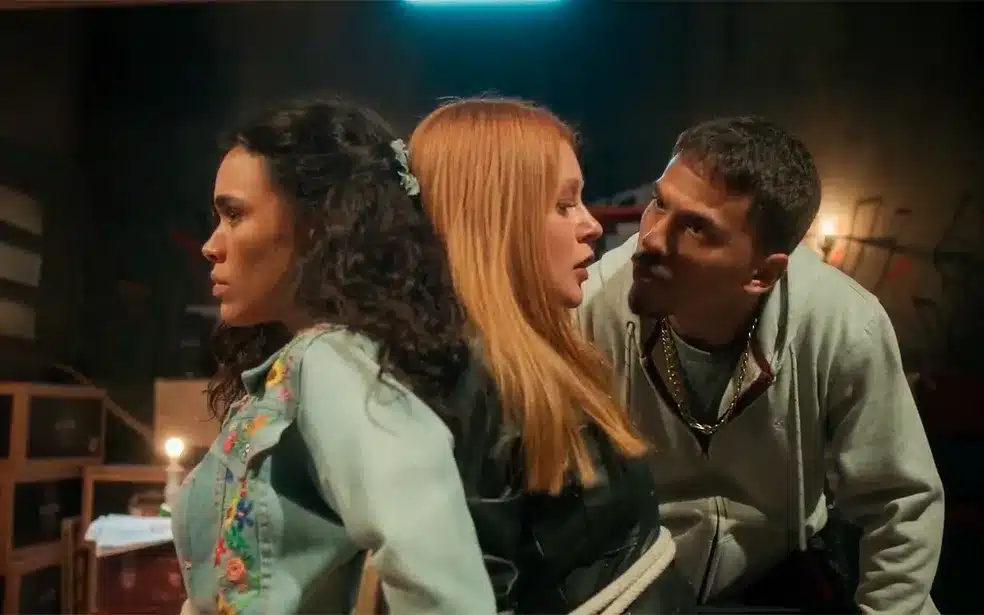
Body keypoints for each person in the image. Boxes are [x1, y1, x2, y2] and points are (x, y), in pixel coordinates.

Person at [577, 116, 944, 614]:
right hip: (637, 581)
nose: (652, 240)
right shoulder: (593, 306)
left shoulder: (839, 322)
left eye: (696, 227)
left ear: (762, 273)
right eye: (660, 203)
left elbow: (900, 503)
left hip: (783, 574)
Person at [171, 96, 496, 615]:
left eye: (235, 215)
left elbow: (439, 576)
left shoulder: (331, 362)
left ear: (316, 224)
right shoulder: (292, 366)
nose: (211, 245)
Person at [409, 97, 697, 614]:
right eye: (564, 205)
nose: (592, 225)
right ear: (496, 222)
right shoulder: (469, 381)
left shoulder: (531, 356)